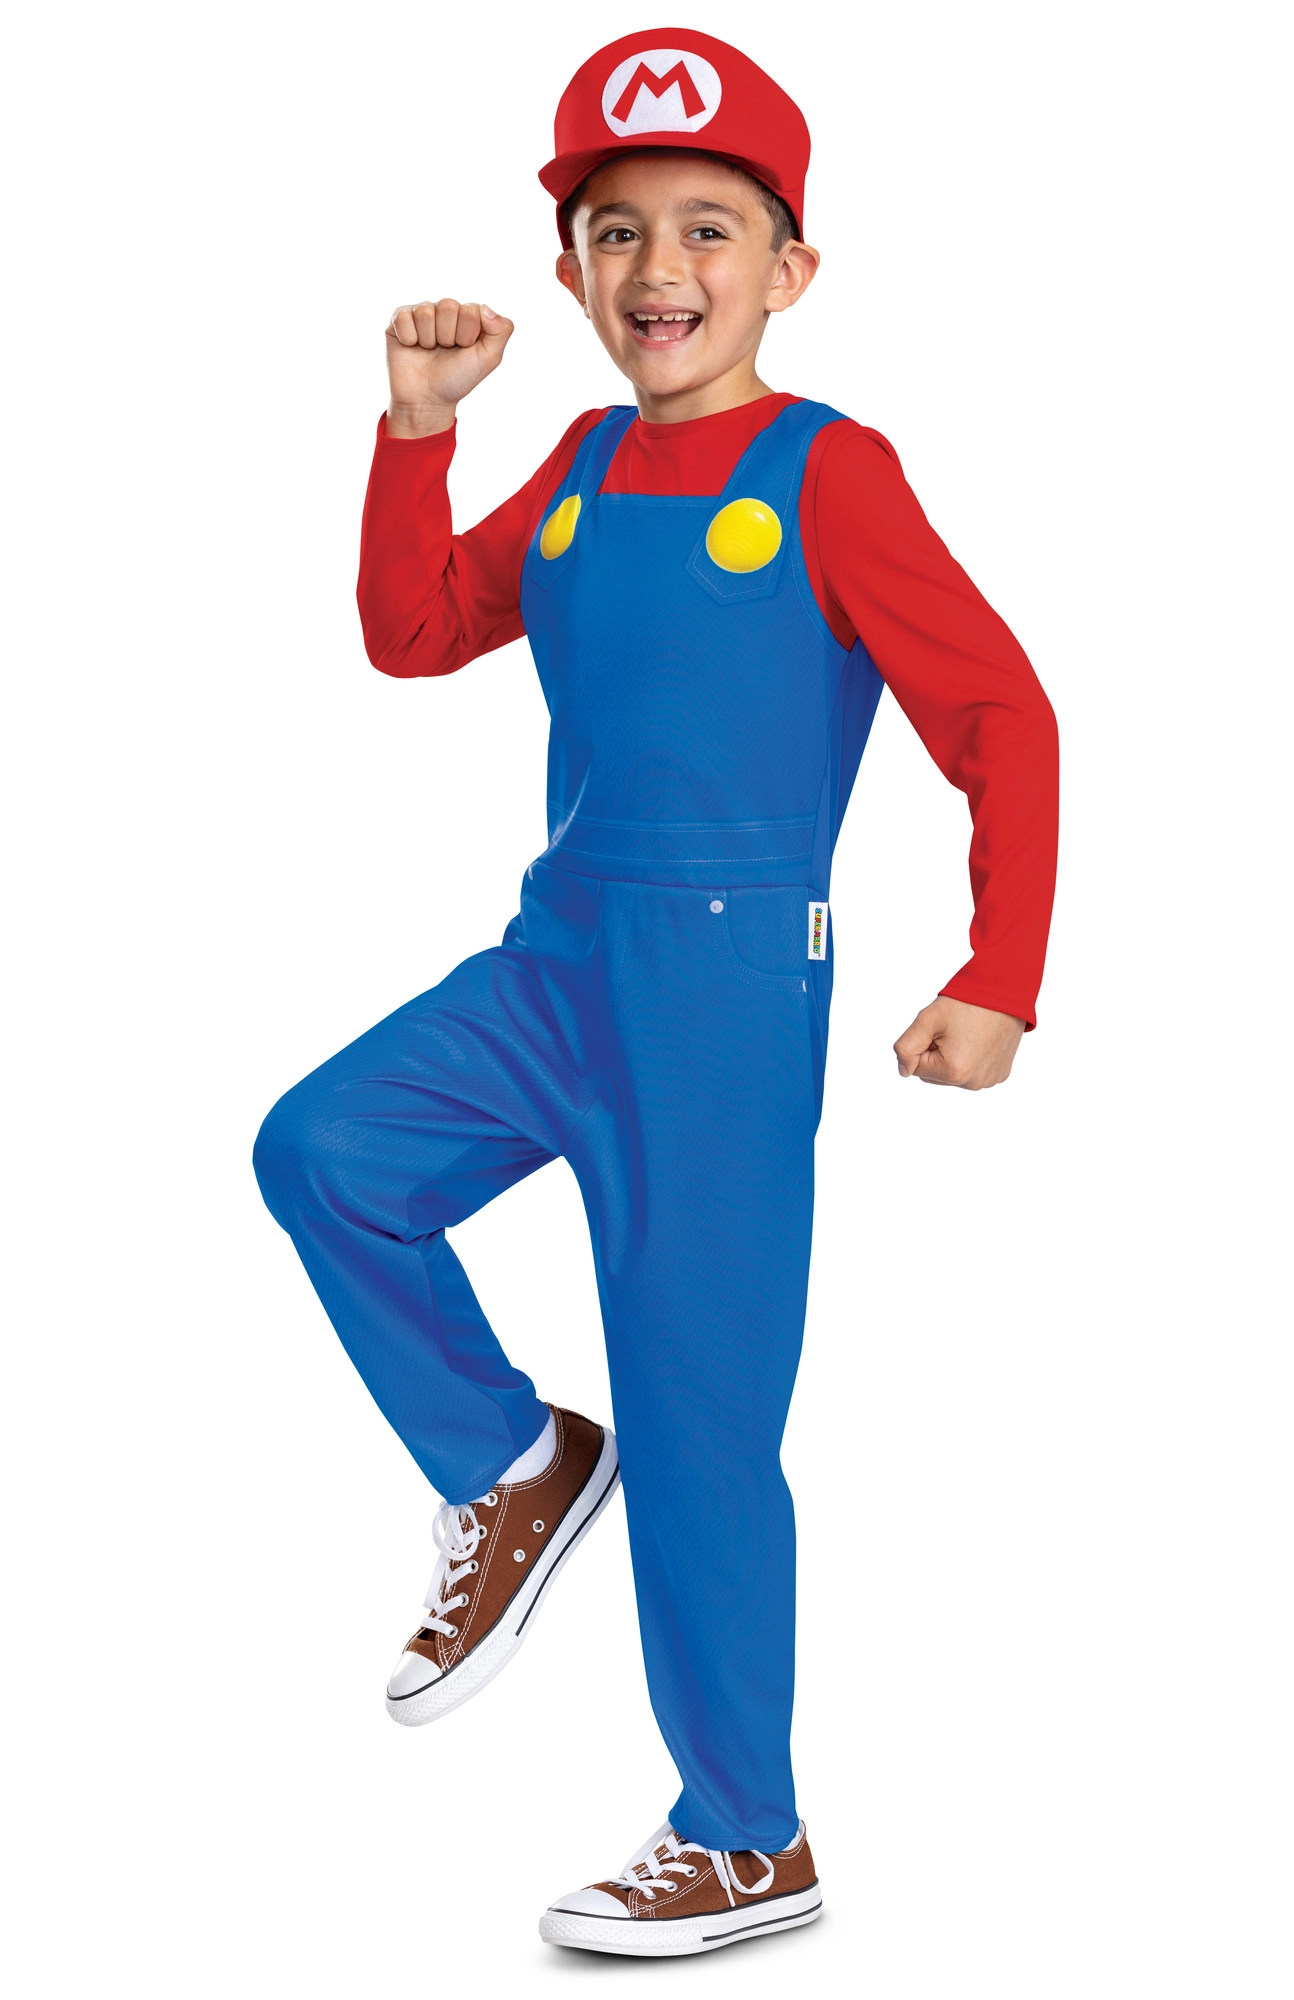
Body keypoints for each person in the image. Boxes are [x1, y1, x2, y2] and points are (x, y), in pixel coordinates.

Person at [254, 28, 1059, 1958]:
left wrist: (998, 971)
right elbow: (412, 632)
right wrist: (415, 431)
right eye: (615, 231)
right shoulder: (582, 461)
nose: (657, 267)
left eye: (708, 227)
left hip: (721, 997)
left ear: (791, 269)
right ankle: (512, 1460)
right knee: (323, 1153)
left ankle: (745, 1835)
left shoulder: (830, 473)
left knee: (700, 1426)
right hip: (556, 961)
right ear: (569, 274)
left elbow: (1001, 715)